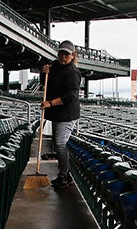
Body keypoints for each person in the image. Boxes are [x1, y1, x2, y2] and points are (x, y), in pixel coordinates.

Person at [41, 40, 82, 190]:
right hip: (57, 113)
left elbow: (70, 96)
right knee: (57, 143)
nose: (63, 56)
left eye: (66, 54)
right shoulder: (54, 65)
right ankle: (65, 174)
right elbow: (45, 83)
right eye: (61, 53)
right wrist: (43, 72)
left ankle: (64, 176)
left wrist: (50, 103)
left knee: (60, 143)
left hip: (68, 113)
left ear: (72, 56)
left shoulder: (73, 72)